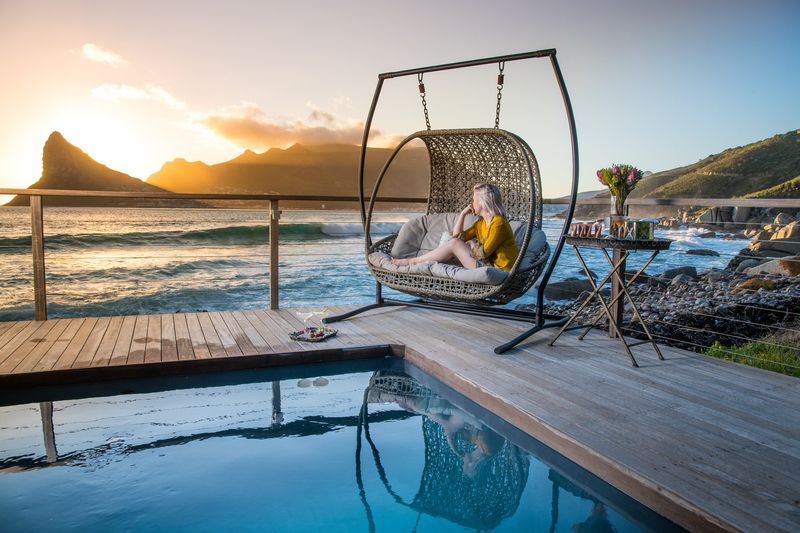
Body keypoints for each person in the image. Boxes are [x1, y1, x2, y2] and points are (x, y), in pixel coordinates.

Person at [391, 183, 519, 271]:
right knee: (455, 244)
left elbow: (483, 254)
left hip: (498, 270)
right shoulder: (480, 223)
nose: (471, 203)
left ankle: (411, 262)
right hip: (484, 264)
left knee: (455, 245)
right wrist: (462, 215)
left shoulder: (499, 223)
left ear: (483, 203)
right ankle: (419, 265)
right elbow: (456, 238)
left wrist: (471, 245)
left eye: (474, 200)